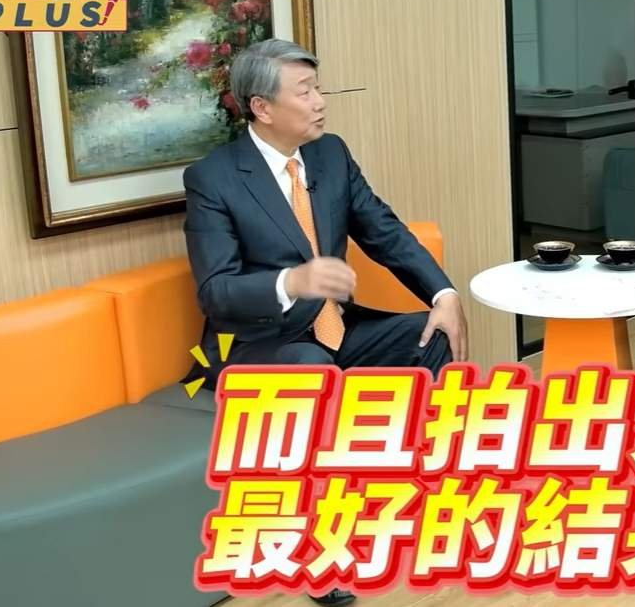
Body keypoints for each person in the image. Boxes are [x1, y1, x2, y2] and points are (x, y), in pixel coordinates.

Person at [183, 38, 469, 606]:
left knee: (428, 336)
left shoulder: (329, 155)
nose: (320, 101)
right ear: (262, 107)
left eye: (318, 87)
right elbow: (215, 292)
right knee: (310, 365)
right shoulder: (213, 178)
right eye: (305, 91)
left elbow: (383, 231)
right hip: (259, 343)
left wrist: (443, 292)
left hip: (338, 325)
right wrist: (292, 282)